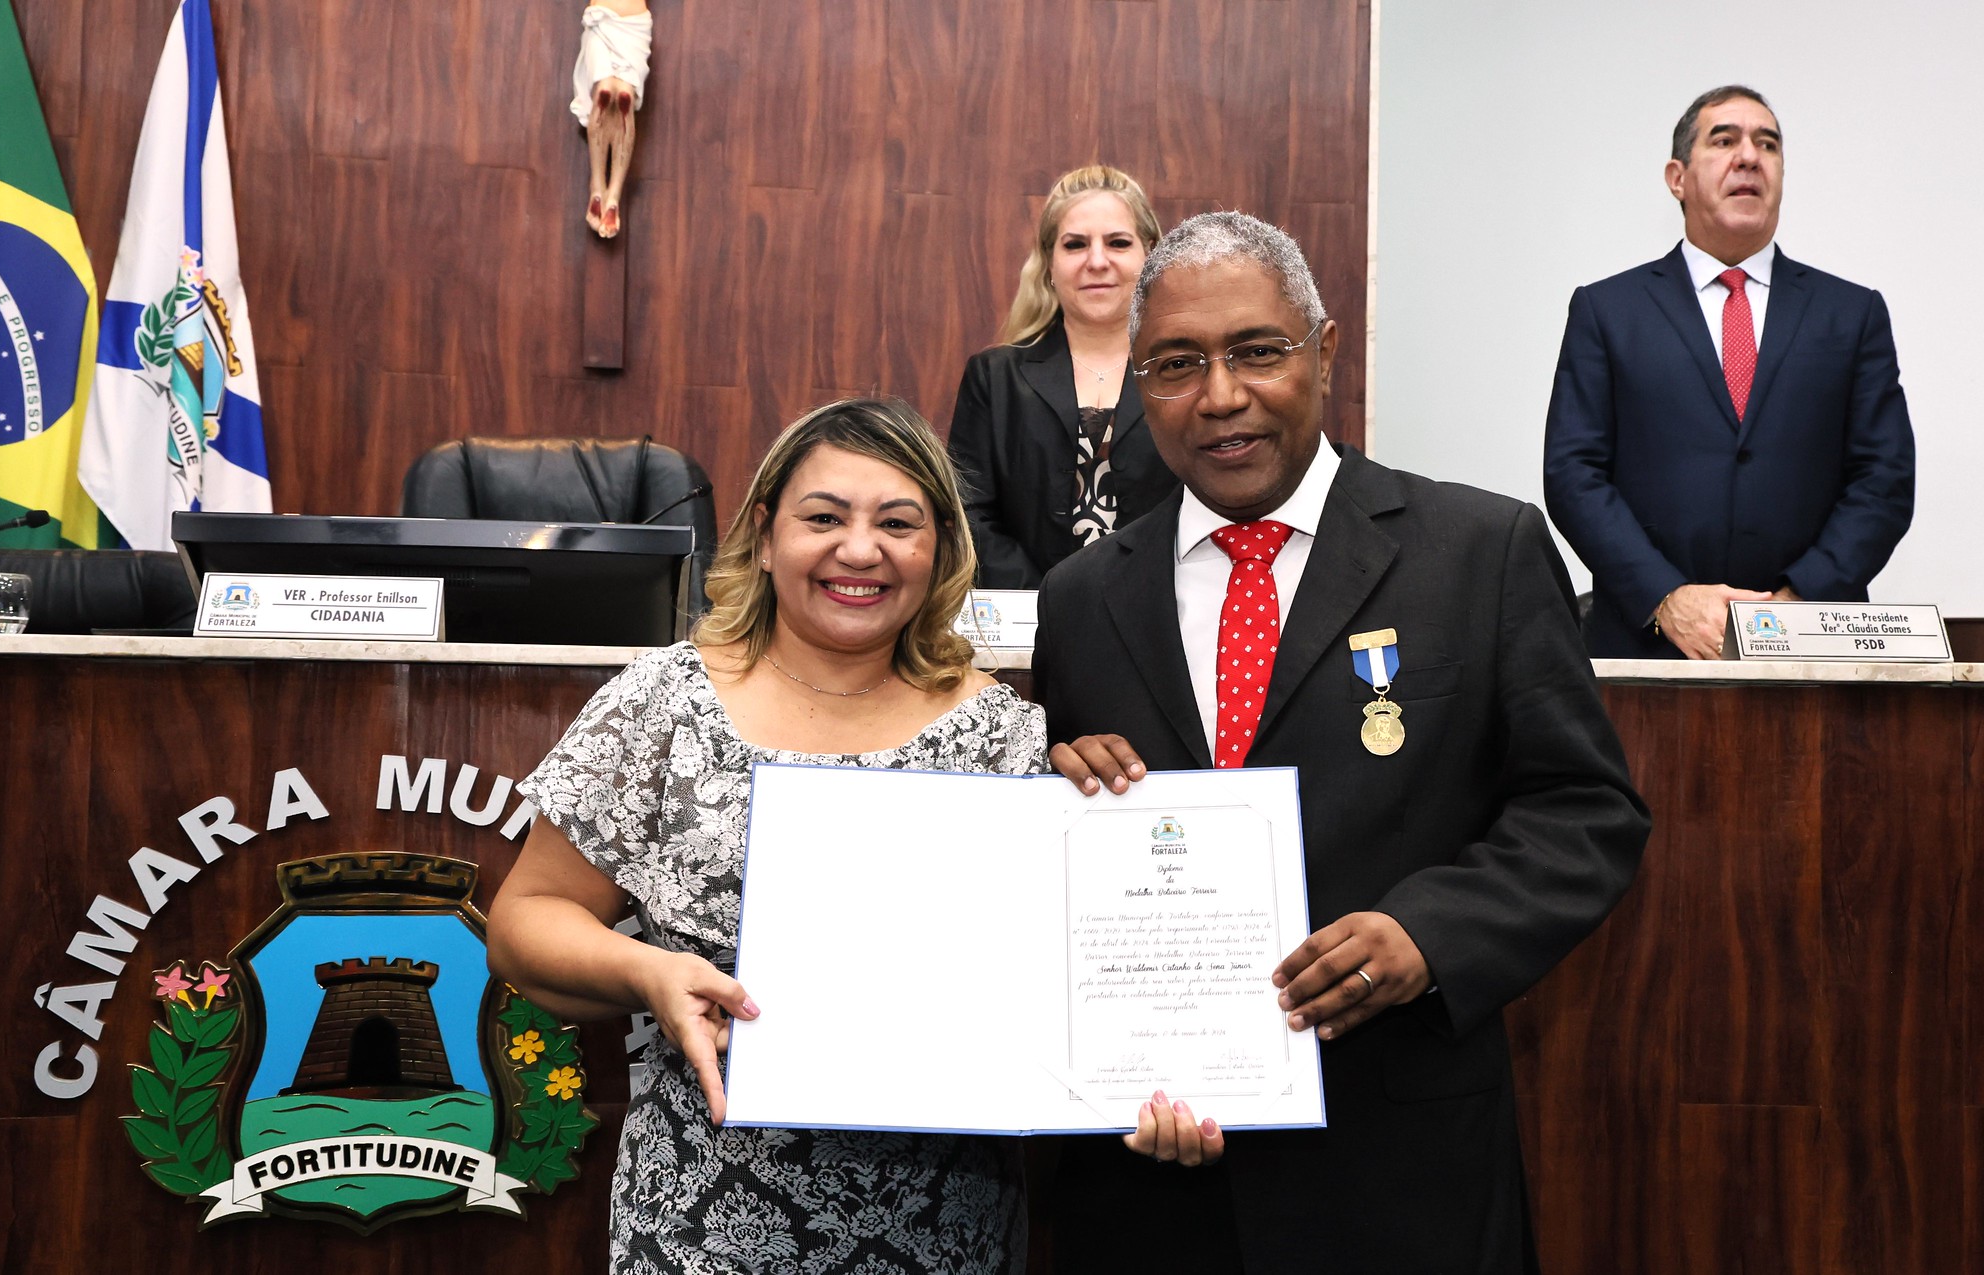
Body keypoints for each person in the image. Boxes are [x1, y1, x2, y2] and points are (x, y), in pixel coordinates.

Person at [1036, 211, 1650, 1273]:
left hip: (1401, 1166)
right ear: (1139, 387)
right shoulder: (1080, 596)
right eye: (1176, 364)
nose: (1219, 396)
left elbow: (1584, 812)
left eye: (1255, 352)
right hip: (1146, 1184)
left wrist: (1430, 935)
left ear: (1323, 351)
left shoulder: (1478, 551)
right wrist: (1046, 804)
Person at [488, 398, 1045, 1273]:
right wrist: (648, 971)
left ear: (939, 543)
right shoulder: (664, 701)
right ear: (765, 530)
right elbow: (526, 921)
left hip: (946, 1216)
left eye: (897, 523)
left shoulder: (1005, 734)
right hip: (704, 1209)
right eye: (823, 517)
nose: (859, 550)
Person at [1544, 85, 1915, 660]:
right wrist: (1667, 597)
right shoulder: (1607, 311)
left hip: (1816, 648)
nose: (1749, 156)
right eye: (1724, 141)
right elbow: (1573, 473)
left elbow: (1884, 478)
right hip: (1647, 646)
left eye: (1767, 144)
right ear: (1677, 177)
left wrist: (1797, 604)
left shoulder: (1852, 313)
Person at [948, 164, 1180, 587]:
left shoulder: (1187, 374)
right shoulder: (995, 379)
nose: (1097, 261)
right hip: (1028, 623)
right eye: (1075, 245)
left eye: (1118, 243)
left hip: (1164, 615)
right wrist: (1051, 602)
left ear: (1150, 256)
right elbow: (967, 514)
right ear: (1049, 264)